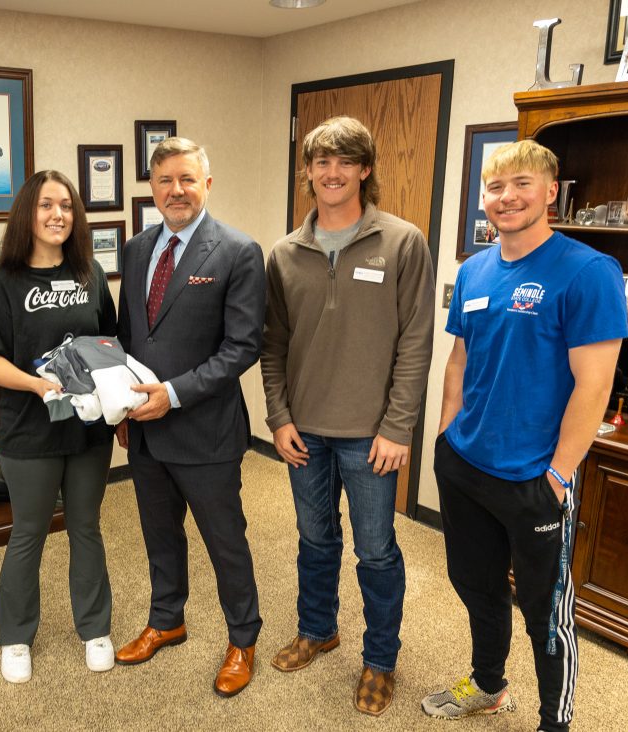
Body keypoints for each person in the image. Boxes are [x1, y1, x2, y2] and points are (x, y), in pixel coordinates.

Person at [423, 140, 626, 732]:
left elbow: (595, 387)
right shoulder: (475, 269)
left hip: (535, 478)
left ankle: (552, 722)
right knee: (476, 586)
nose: (507, 197)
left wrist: (560, 474)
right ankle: (488, 685)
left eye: (521, 184)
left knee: (545, 612)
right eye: (494, 187)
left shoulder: (588, 272)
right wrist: (444, 435)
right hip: (465, 465)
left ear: (551, 191)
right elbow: (459, 359)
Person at [260, 116, 434, 716]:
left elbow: (416, 340)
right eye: (321, 162)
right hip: (303, 429)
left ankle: (381, 660)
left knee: (377, 551)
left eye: (345, 162)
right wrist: (278, 417)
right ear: (307, 171)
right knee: (315, 540)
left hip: (371, 435)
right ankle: (318, 629)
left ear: (364, 170)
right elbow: (273, 344)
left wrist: (397, 427)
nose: (332, 173)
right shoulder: (284, 252)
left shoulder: (402, 241)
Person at [114, 137, 266, 697]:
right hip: (145, 431)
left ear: (207, 183)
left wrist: (172, 395)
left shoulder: (237, 251)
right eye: (164, 181)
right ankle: (166, 620)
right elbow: (132, 337)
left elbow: (241, 347)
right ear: (151, 188)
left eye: (186, 179)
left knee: (226, 540)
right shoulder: (136, 250)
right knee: (159, 535)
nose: (175, 190)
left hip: (206, 431)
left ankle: (242, 638)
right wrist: (123, 403)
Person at [0, 170, 117, 684]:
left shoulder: (90, 274)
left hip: (87, 430)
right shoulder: (2, 280)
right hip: (30, 432)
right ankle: (16, 637)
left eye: (66, 205)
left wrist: (115, 404)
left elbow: (109, 346)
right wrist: (39, 386)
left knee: (86, 527)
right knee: (28, 533)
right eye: (45, 205)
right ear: (27, 215)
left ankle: (95, 628)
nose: (57, 214)